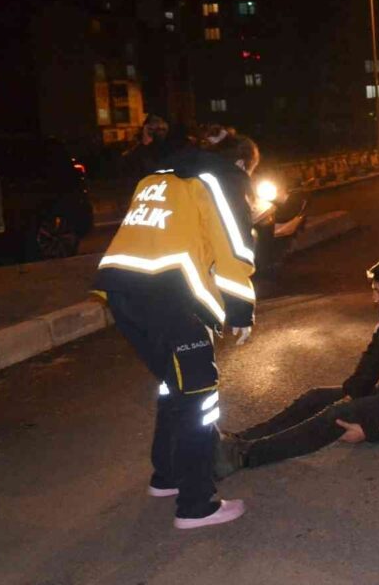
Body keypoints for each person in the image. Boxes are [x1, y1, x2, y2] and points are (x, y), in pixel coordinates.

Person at [93, 127, 257, 530]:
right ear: (241, 163)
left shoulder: (157, 177)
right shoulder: (223, 179)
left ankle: (165, 476)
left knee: (174, 387)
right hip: (169, 297)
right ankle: (196, 505)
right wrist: (240, 310)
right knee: (199, 399)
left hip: (121, 290)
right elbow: (233, 249)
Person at [214, 253, 379, 476]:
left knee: (337, 416)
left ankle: (244, 456)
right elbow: (372, 362)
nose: (374, 298)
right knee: (316, 397)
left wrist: (371, 429)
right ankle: (240, 439)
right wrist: (351, 392)